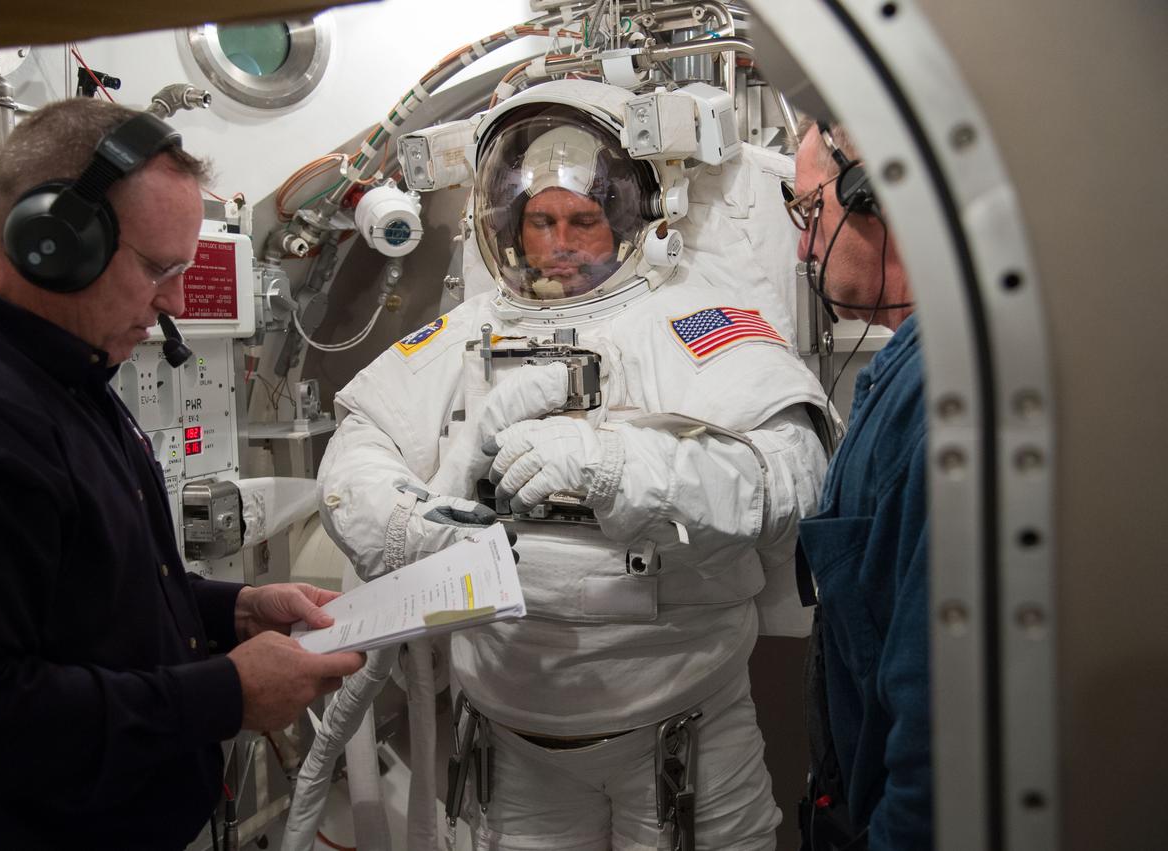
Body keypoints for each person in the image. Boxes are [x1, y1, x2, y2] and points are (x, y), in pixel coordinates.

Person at [317, 80, 830, 850]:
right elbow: (361, 438)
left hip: (684, 743)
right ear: (509, 227)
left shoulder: (694, 321)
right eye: (541, 220)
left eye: (583, 221)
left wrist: (620, 464)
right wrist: (405, 526)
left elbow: (792, 472)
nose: (559, 241)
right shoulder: (466, 332)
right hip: (512, 753)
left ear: (623, 220)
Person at [0, 98, 364, 851]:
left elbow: (92, 594)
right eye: (156, 268)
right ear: (51, 241)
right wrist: (225, 694)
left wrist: (232, 608)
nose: (174, 302)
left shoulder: (71, 381)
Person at [790, 120, 931, 849]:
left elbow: (934, 722)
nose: (803, 246)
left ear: (874, 196)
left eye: (809, 211)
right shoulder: (899, 369)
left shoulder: (939, 399)